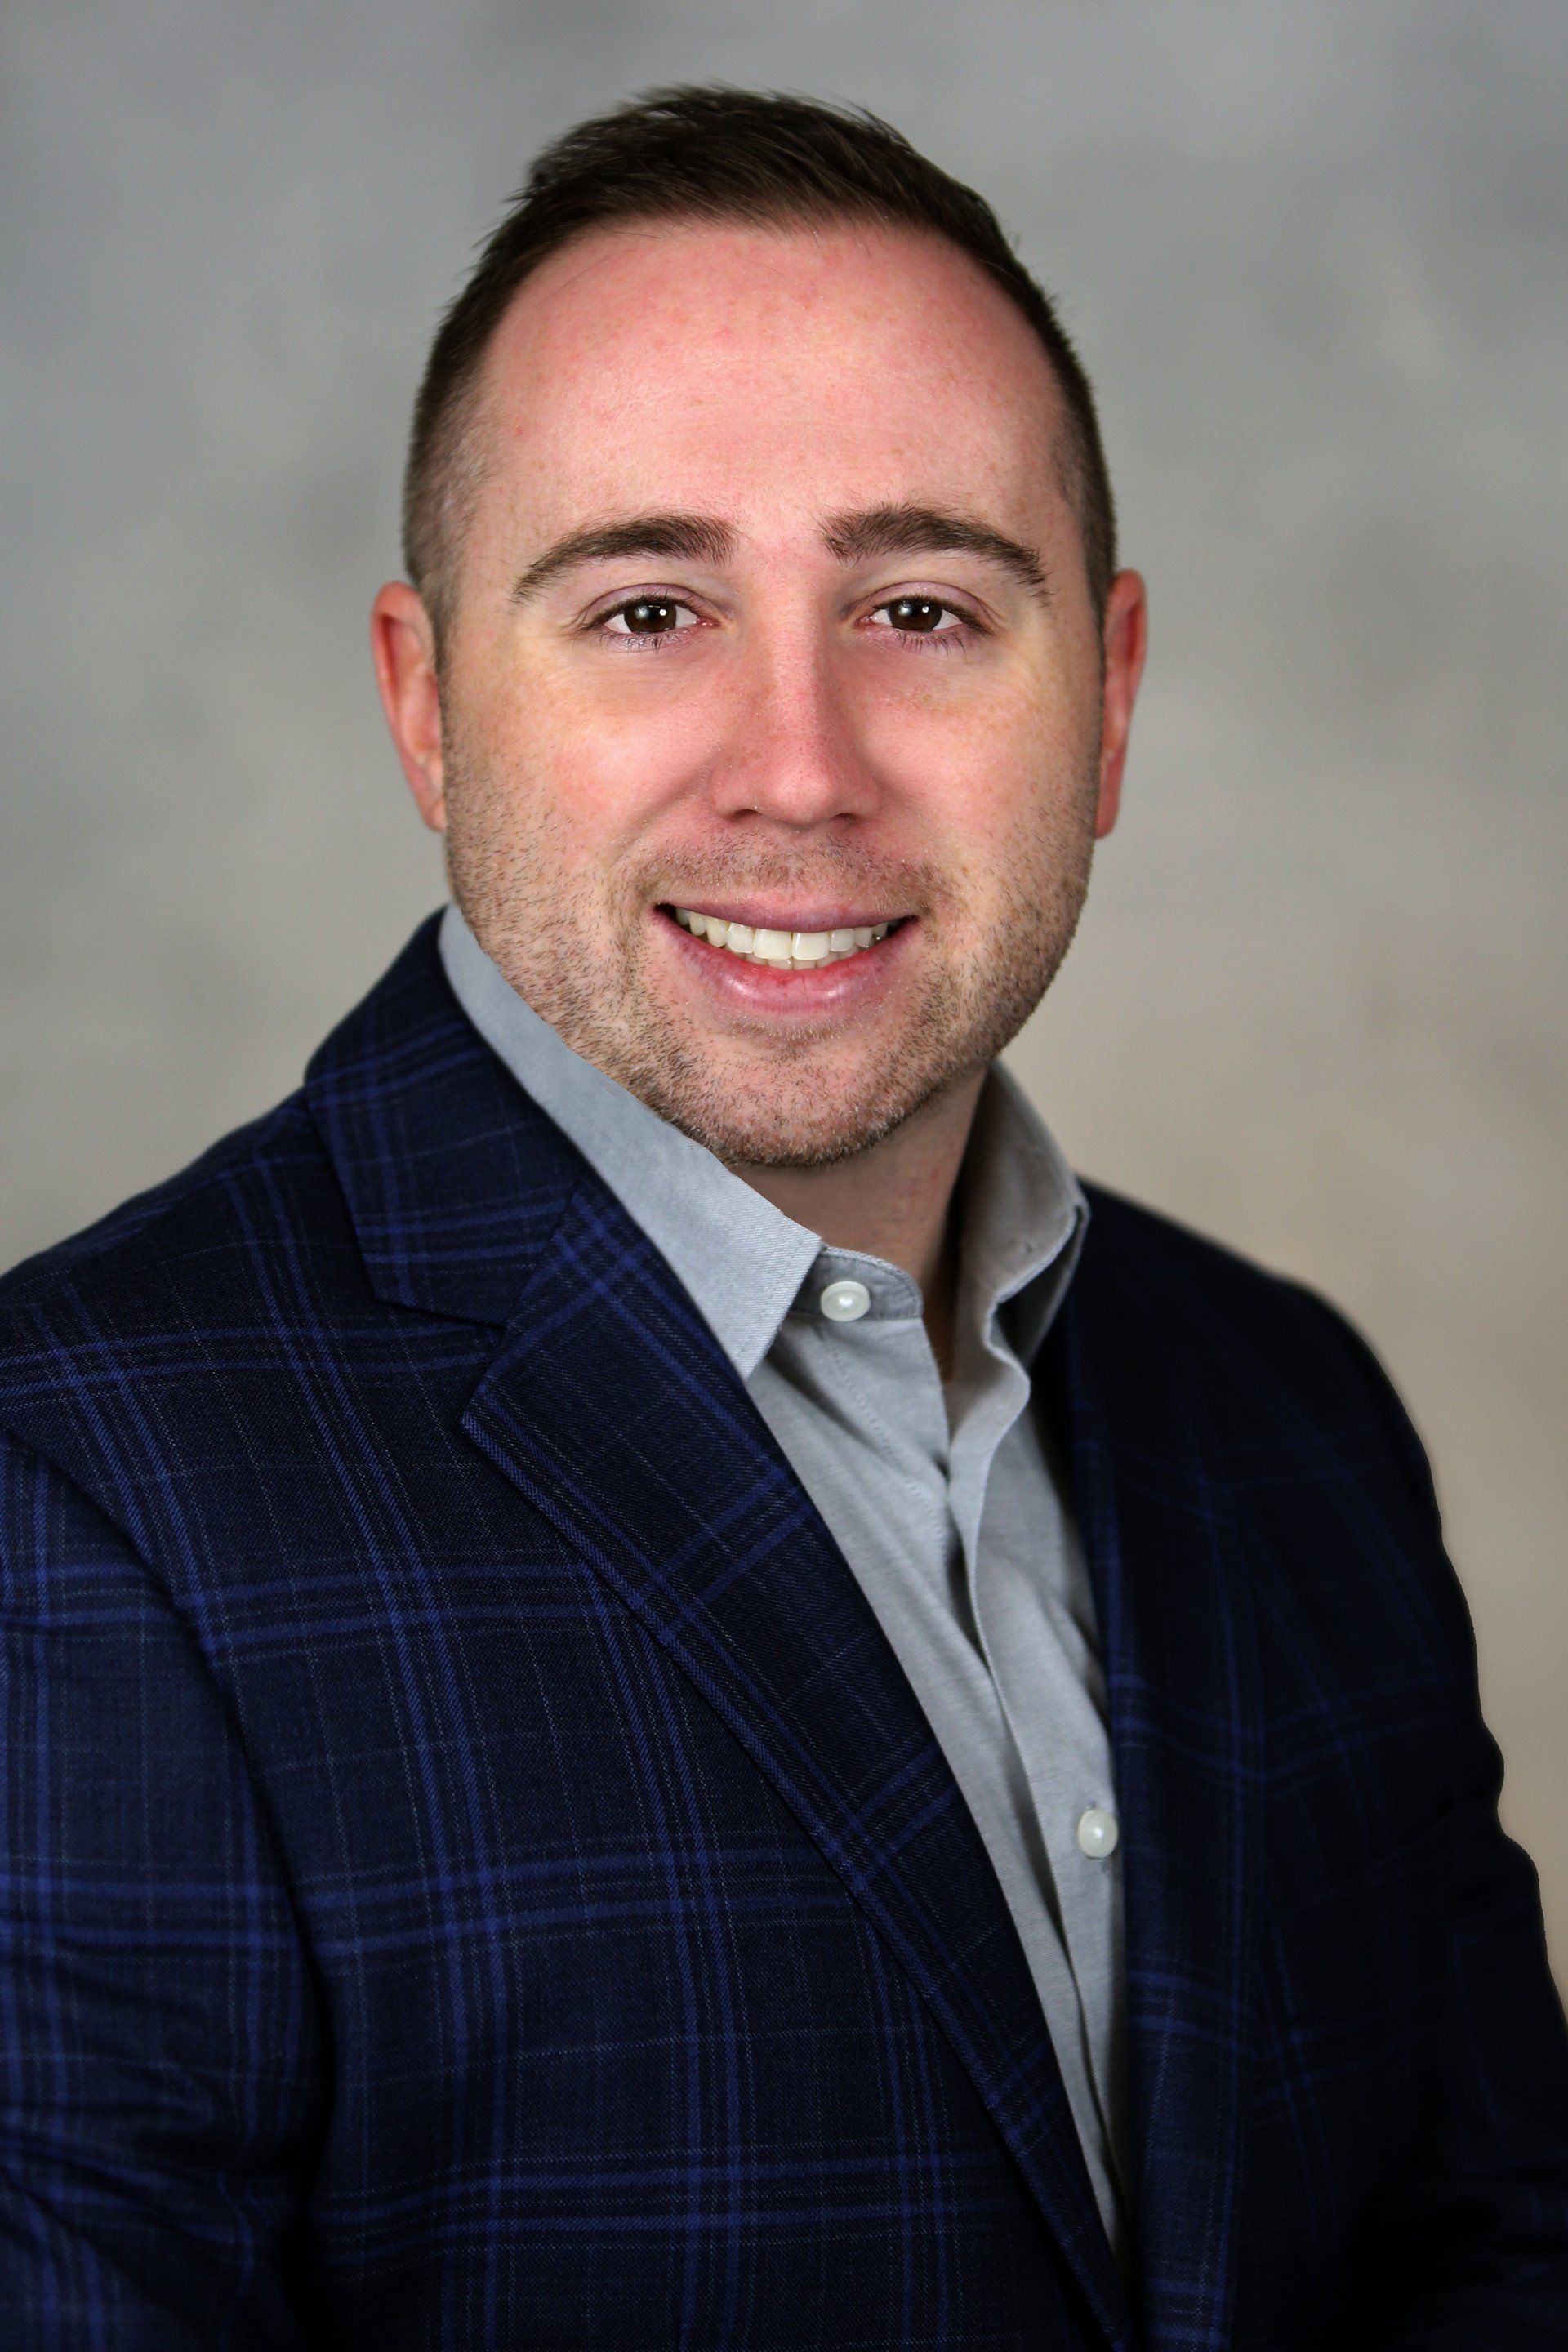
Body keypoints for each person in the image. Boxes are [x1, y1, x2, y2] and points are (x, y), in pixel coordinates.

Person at [1, 84, 1563, 2351]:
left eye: (923, 605)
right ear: (430, 710)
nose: (801, 762)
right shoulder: (71, 1504)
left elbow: (1493, 2265)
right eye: (648, 608)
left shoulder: (1291, 1414)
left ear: (1107, 699)